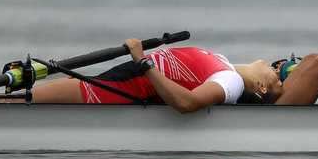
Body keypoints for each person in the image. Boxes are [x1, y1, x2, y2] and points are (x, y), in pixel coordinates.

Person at [30, 39, 283, 113]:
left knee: (19, 102)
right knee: (19, 97)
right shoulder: (223, 62)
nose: (276, 69)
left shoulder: (232, 81)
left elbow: (188, 103)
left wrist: (142, 62)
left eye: (277, 79)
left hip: (120, 90)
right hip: (122, 78)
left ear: (260, 86)